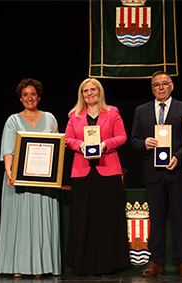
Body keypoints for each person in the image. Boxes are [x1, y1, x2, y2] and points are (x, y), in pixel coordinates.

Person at [130, 71, 182, 277]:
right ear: (152, 88)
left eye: (164, 84)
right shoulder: (141, 110)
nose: (160, 88)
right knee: (156, 220)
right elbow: (134, 141)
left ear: (172, 86)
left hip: (177, 172)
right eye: (156, 85)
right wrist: (145, 144)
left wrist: (179, 157)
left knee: (180, 219)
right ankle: (155, 262)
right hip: (153, 174)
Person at [0, 78, 61, 278]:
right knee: (20, 222)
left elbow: (57, 148)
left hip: (44, 181)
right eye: (25, 95)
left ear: (39, 96)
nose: (29, 98)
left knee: (42, 223)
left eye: (33, 94)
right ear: (20, 98)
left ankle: (42, 267)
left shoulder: (49, 118)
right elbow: (8, 149)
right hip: (18, 179)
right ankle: (17, 266)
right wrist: (9, 170)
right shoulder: (13, 120)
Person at [65, 78, 129, 275]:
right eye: (85, 91)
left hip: (107, 170)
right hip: (82, 172)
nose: (89, 93)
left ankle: (109, 264)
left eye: (93, 89)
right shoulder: (74, 115)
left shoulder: (112, 112)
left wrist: (104, 145)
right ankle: (83, 264)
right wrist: (80, 145)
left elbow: (122, 136)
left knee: (107, 218)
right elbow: (67, 139)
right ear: (81, 95)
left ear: (100, 92)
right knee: (83, 217)